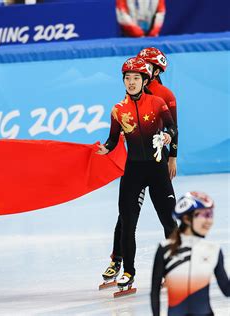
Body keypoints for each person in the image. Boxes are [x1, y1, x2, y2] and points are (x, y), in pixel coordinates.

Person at [96, 57, 177, 291]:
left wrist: (167, 137)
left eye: (136, 78)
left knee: (169, 221)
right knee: (128, 222)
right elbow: (113, 140)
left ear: (145, 80)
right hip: (133, 171)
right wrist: (105, 148)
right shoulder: (118, 110)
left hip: (157, 169)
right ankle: (128, 271)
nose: (131, 82)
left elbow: (172, 127)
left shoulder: (158, 102)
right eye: (127, 78)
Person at [151, 192, 230, 315]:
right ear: (187, 219)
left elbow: (227, 290)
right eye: (205, 215)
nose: (210, 221)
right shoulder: (165, 249)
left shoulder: (213, 250)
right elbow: (154, 293)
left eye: (211, 215)